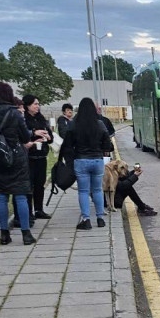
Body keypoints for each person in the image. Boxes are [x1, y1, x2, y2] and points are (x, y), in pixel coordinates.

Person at [0, 81, 36, 246]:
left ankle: (4, 234)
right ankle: (26, 234)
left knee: (2, 195)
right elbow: (25, 137)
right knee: (20, 195)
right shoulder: (15, 114)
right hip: (16, 158)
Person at [61, 97, 111, 229]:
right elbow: (108, 144)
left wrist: (70, 161)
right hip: (97, 160)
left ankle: (86, 219)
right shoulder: (100, 124)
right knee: (97, 190)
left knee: (83, 191)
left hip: (81, 160)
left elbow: (67, 145)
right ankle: (100, 218)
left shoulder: (74, 124)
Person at [22, 94, 53, 220]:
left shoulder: (41, 119)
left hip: (41, 156)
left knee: (40, 184)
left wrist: (48, 137)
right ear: (28, 105)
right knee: (29, 185)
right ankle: (28, 211)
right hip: (29, 157)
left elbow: (50, 134)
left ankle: (39, 209)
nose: (37, 106)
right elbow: (22, 135)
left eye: (38, 104)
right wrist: (35, 134)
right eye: (35, 104)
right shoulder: (24, 119)